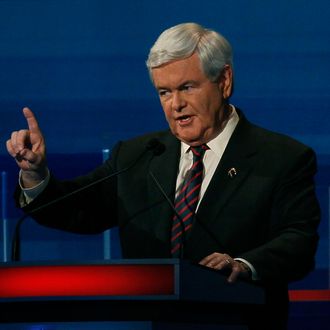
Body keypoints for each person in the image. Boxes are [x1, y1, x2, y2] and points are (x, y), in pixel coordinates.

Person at [7, 22, 320, 329]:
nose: (176, 105)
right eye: (164, 92)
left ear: (224, 80)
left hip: (236, 321)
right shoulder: (138, 155)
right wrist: (35, 174)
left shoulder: (281, 157)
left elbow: (298, 242)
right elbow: (77, 210)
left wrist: (243, 264)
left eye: (187, 87)